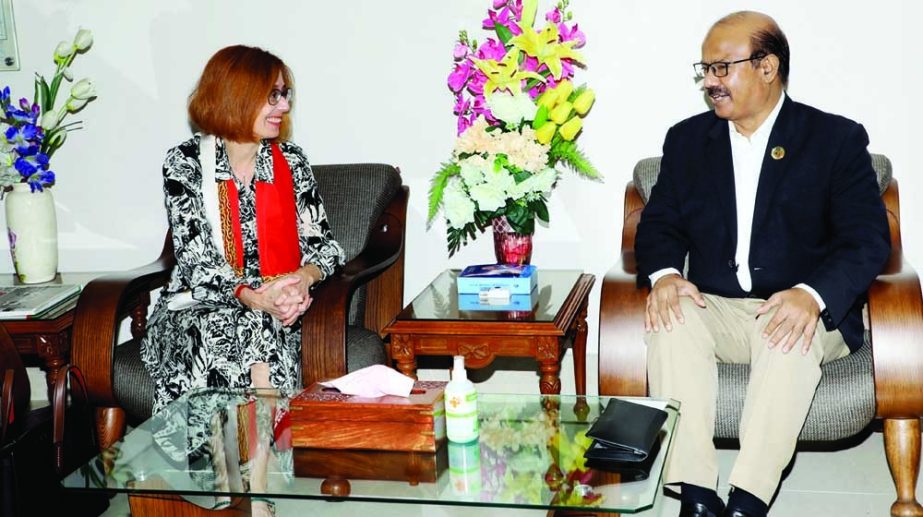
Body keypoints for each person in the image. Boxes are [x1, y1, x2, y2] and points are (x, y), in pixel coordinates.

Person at [635, 11, 890, 517]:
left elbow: (867, 239)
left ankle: (747, 502)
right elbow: (657, 224)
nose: (710, 81)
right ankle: (697, 497)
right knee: (672, 317)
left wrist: (812, 294)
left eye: (721, 68)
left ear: (767, 66)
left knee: (786, 330)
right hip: (720, 308)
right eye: (704, 70)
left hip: (805, 310)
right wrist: (665, 276)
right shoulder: (687, 142)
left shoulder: (834, 140)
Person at [140, 44, 345, 515]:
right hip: (195, 307)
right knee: (240, 326)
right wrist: (254, 296)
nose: (284, 106)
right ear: (235, 95)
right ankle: (250, 487)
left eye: (285, 94)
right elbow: (195, 259)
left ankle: (250, 491)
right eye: (272, 95)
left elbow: (326, 246)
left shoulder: (291, 161)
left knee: (256, 328)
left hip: (274, 306)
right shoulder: (185, 163)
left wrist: (301, 279)